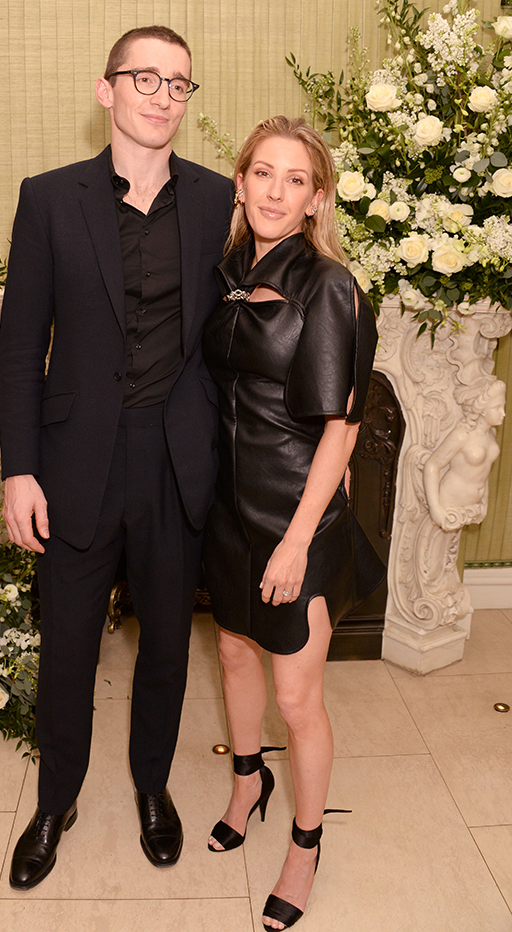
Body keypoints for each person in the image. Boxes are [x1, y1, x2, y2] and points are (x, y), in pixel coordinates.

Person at [0, 25, 233, 889]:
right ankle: (54, 802)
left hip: (175, 460)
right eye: (145, 77)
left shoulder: (217, 199)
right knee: (67, 647)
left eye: (178, 83)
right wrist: (19, 469)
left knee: (167, 643)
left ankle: (152, 788)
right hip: (74, 462)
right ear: (107, 90)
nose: (162, 95)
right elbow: (21, 343)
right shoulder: (48, 198)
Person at [202, 116, 385, 930]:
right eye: (263, 173)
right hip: (230, 512)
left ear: (316, 199)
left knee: (296, 695)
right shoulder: (229, 273)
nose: (277, 191)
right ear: (240, 183)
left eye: (296, 179)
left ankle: (306, 845)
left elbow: (341, 426)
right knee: (234, 654)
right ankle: (249, 781)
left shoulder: (329, 286)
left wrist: (298, 540)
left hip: (295, 518)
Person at [424, 378, 506, 531]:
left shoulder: (491, 434)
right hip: (450, 502)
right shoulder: (462, 435)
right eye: (497, 408)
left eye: (503, 407)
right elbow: (432, 465)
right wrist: (435, 508)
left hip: (472, 506)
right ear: (482, 409)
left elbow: (484, 469)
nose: (503, 413)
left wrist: (484, 500)